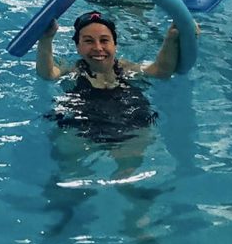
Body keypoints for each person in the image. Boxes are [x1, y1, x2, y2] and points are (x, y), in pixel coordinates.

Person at [35, 11, 186, 144]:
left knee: (128, 169)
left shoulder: (126, 68)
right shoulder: (73, 70)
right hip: (80, 124)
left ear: (115, 44)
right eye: (88, 41)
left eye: (104, 40)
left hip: (130, 122)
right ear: (78, 47)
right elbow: (48, 74)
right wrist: (46, 39)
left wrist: (172, 38)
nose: (98, 48)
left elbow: (161, 71)